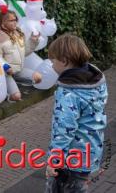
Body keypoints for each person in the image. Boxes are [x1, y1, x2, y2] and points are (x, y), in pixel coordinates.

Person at [45, 34, 108, 193]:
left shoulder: (68, 93)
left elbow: (64, 129)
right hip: (91, 151)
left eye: (53, 62)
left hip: (71, 159)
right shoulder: (96, 80)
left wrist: (55, 159)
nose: (52, 66)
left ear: (64, 61)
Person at [0, 11, 42, 101]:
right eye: (11, 20)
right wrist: (6, 67)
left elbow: (25, 52)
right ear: (3, 23)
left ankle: (15, 82)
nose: (15, 22)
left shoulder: (18, 33)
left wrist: (33, 41)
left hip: (18, 71)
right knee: (16, 97)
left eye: (15, 19)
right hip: (6, 73)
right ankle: (6, 89)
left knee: (38, 78)